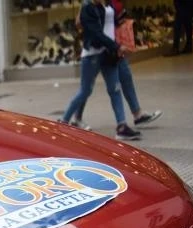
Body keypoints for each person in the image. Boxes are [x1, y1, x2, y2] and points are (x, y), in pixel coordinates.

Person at [69, 0, 163, 130]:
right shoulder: (91, 3)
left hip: (113, 46)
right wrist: (97, 30)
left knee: (125, 76)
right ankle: (75, 118)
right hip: (101, 48)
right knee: (87, 87)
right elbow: (79, 23)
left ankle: (136, 114)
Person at [59, 0, 142, 140]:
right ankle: (63, 121)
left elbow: (109, 27)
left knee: (115, 89)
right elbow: (96, 33)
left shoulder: (105, 5)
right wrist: (116, 46)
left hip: (107, 52)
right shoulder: (88, 7)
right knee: (85, 90)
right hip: (93, 54)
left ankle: (121, 126)